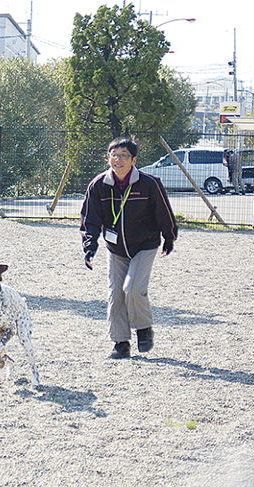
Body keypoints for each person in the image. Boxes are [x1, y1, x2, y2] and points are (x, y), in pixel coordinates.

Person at [80, 136, 178, 359]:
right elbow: (90, 219)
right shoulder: (98, 185)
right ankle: (120, 343)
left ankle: (143, 329)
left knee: (132, 288)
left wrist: (169, 237)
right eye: (114, 155)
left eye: (124, 155)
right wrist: (89, 246)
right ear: (108, 158)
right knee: (116, 295)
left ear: (133, 160)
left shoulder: (149, 184)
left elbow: (164, 212)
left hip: (145, 245)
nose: (118, 160)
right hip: (116, 250)